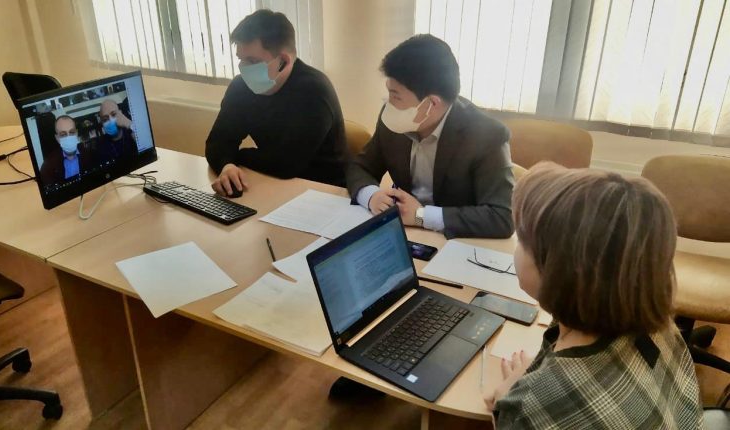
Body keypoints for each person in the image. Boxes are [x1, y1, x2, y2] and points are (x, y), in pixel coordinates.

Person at [485, 163, 703, 429]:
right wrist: (534, 375)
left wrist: (509, 397)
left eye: (522, 239)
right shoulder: (658, 327)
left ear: (557, 269)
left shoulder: (528, 410)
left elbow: (526, 412)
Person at [346, 35, 513, 239]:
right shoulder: (394, 119)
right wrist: (372, 196)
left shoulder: (486, 135)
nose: (389, 103)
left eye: (395, 96)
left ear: (431, 104)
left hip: (455, 242)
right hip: (404, 235)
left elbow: (501, 216)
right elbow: (360, 167)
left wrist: (421, 216)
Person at [206, 9, 347, 195]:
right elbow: (217, 143)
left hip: (325, 191)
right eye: (241, 59)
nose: (244, 68)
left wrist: (237, 156)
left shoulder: (314, 90)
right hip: (273, 184)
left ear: (283, 61)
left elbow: (286, 164)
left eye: (252, 61)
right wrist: (227, 165)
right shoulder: (241, 87)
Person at [39, 115, 93, 185]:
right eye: (63, 134)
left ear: (76, 133)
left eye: (72, 132)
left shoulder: (89, 154)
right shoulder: (48, 166)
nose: (68, 137)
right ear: (57, 138)